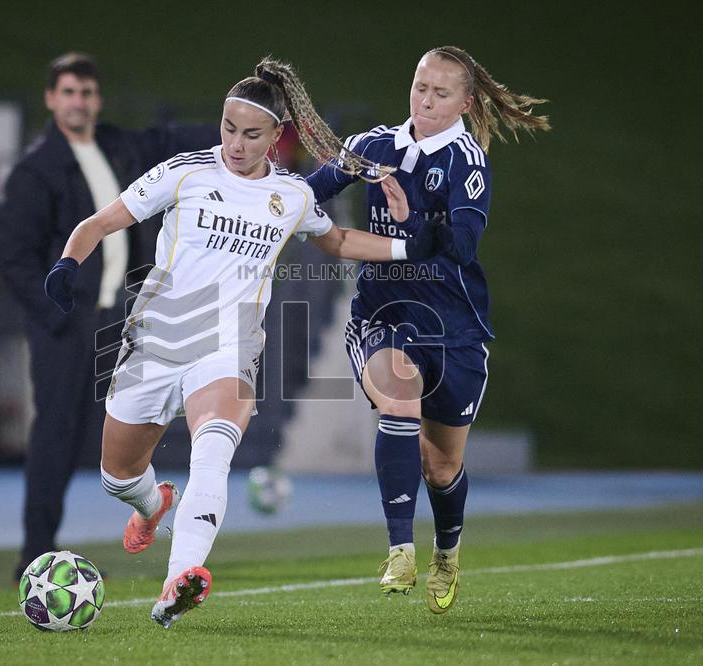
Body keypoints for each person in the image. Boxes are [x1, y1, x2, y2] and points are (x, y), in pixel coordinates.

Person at [43, 56, 445, 628]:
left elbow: (337, 242)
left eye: (250, 133)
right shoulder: (183, 173)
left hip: (227, 345)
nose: (235, 142)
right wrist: (66, 265)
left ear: (276, 138)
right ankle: (152, 505)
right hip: (156, 341)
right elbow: (99, 223)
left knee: (214, 450)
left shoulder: (291, 197)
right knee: (116, 476)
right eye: (228, 128)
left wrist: (410, 250)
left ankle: (178, 579)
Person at [307, 45, 550, 614]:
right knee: (397, 396)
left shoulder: (467, 159)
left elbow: (463, 247)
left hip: (453, 327)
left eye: (441, 93)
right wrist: (268, 199)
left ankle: (447, 551)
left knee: (441, 465)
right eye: (420, 87)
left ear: (466, 102)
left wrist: (411, 220)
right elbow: (312, 189)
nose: (426, 101)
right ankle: (399, 548)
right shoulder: (372, 147)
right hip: (383, 314)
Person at [0, 53, 218, 581]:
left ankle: (150, 511)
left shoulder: (117, 145)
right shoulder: (35, 172)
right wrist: (55, 315)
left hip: (124, 319)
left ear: (98, 99)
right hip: (67, 325)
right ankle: (36, 554)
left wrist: (258, 125)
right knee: (55, 436)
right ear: (51, 99)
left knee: (122, 434)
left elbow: (170, 139)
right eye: (68, 92)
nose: (79, 102)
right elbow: (10, 251)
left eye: (87, 93)